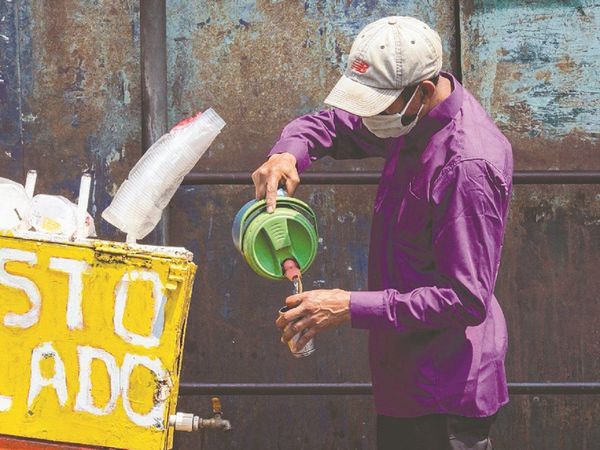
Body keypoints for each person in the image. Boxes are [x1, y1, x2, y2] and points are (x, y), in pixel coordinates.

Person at [253, 16, 512, 450]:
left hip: (445, 394)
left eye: (378, 103)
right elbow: (332, 125)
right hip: (404, 381)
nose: (367, 115)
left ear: (423, 93)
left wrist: (348, 306)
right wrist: (287, 153)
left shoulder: (467, 166)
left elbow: (466, 299)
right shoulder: (408, 119)